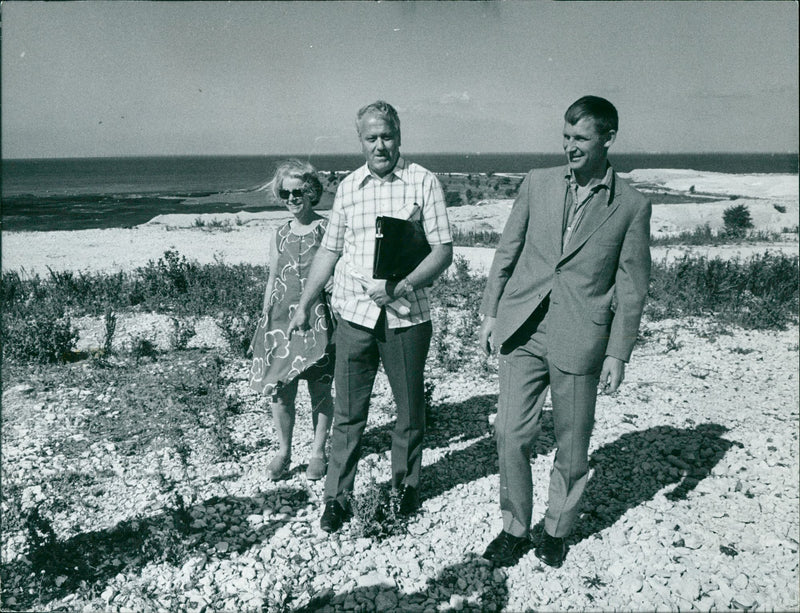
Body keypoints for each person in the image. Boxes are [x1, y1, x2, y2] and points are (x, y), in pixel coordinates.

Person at [479, 96, 651, 568]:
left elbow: (632, 287)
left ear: (608, 138)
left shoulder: (632, 206)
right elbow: (507, 250)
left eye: (581, 138)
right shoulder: (537, 183)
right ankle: (515, 527)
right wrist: (491, 312)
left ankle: (556, 529)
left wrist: (619, 352)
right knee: (510, 433)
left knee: (573, 443)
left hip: (581, 335)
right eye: (566, 136)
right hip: (522, 328)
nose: (570, 146)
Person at [287, 101, 453, 533]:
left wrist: (400, 286)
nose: (380, 145)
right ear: (360, 140)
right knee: (348, 413)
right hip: (355, 317)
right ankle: (337, 498)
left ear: (399, 135)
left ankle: (405, 489)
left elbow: (443, 251)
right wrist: (305, 302)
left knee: (409, 411)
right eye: (371, 137)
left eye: (387, 136)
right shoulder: (349, 188)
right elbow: (330, 249)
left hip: (406, 318)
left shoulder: (423, 182)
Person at [249, 160, 335, 482]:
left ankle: (317, 451)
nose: (292, 198)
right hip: (280, 321)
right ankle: (284, 451)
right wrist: (264, 320)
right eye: (285, 193)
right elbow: (273, 278)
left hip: (317, 318)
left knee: (320, 387)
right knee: (280, 389)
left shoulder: (327, 229)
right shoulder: (280, 233)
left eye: (298, 192)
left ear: (311, 192)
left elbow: (337, 270)